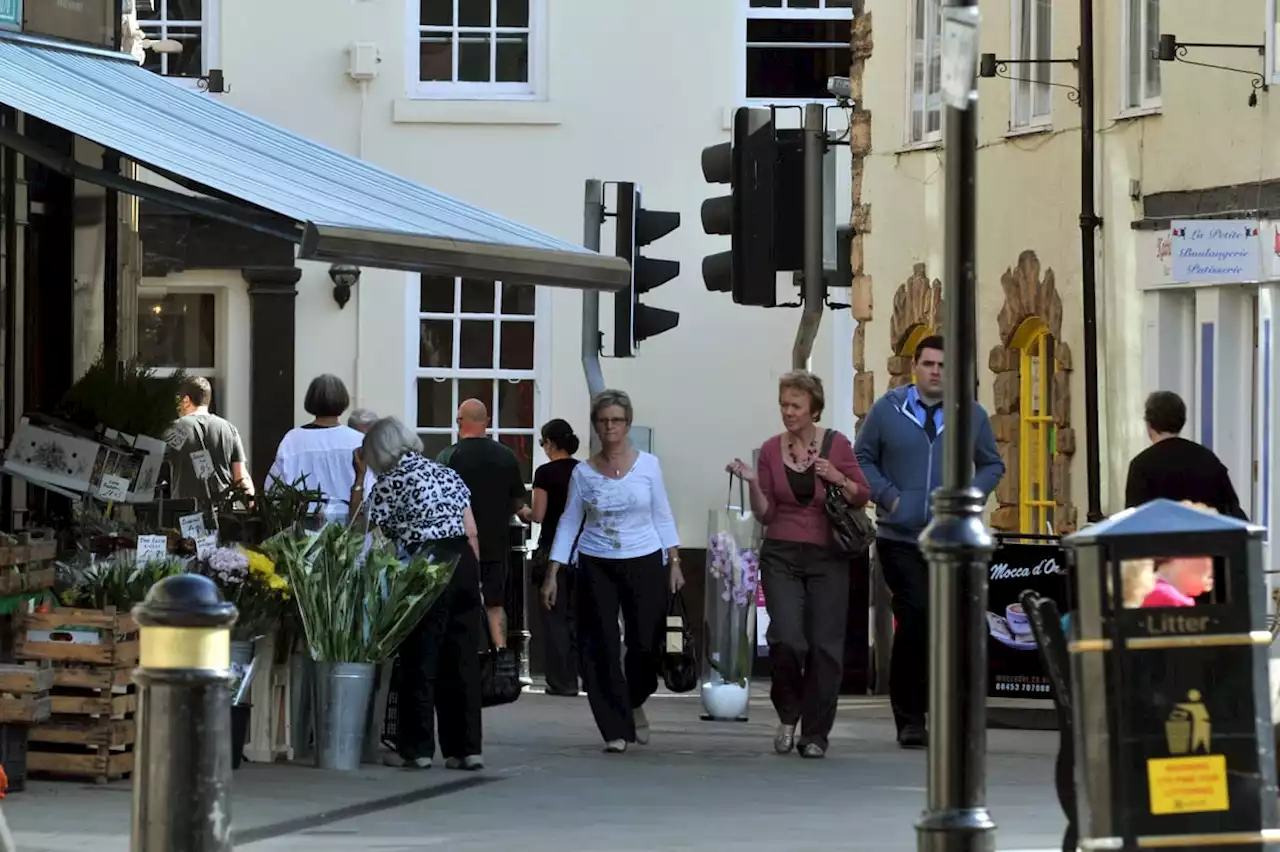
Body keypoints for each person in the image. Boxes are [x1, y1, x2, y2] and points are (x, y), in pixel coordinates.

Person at [854, 335, 1005, 748]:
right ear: (915, 368)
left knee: (950, 624)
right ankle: (910, 717)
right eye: (928, 364)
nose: (936, 371)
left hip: (950, 540)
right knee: (917, 613)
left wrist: (967, 500)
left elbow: (992, 464)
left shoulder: (970, 415)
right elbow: (861, 457)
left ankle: (949, 711)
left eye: (943, 365)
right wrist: (890, 497)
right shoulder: (888, 410)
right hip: (899, 536)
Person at [727, 370, 870, 759]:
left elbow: (862, 494)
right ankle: (788, 713)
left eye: (796, 405)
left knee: (825, 647)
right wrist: (755, 483)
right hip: (782, 553)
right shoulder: (772, 449)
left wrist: (837, 477)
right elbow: (767, 514)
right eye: (784, 405)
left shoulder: (837, 445)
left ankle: (815, 735)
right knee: (786, 639)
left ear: (814, 409)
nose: (788, 412)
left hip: (829, 554)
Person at [542, 390, 683, 754]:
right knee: (600, 644)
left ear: (628, 424)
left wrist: (676, 561)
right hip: (595, 561)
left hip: (645, 557)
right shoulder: (583, 473)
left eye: (616, 420)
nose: (610, 427)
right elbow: (570, 521)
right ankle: (614, 728)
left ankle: (633, 699)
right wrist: (553, 571)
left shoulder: (649, 465)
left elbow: (662, 513)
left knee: (644, 644)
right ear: (595, 426)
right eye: (604, 421)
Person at [349, 416, 485, 771]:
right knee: (462, 659)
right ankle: (466, 749)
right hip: (463, 562)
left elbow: (372, 537)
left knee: (420, 658)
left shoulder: (389, 483)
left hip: (425, 565)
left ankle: (418, 748)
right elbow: (470, 528)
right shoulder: (446, 472)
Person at [439, 399, 527, 650]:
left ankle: (463, 662)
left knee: (457, 607)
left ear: (460, 421)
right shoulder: (506, 456)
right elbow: (516, 501)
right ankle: (501, 661)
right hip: (496, 546)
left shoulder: (449, 456)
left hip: (457, 547)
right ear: (487, 422)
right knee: (495, 605)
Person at [520, 419, 582, 697]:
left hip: (551, 548)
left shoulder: (544, 473)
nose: (543, 448)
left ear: (551, 443)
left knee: (553, 617)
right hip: (583, 550)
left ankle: (561, 681)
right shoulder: (584, 470)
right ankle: (579, 676)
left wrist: (521, 510)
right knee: (575, 617)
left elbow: (539, 515)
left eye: (543, 442)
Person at [1125, 391, 1247, 519]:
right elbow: (1231, 509)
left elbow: (1134, 521)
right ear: (1182, 420)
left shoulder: (1141, 465)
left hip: (1161, 538)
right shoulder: (1208, 459)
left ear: (1149, 424)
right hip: (1206, 537)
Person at [268, 374, 371, 523]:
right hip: (350, 527)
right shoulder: (358, 441)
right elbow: (370, 488)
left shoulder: (293, 440)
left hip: (302, 529)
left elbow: (274, 490)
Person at [165, 376, 254, 501]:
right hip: (222, 513)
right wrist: (251, 507)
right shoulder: (229, 429)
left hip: (186, 512)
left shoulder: (174, 428)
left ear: (186, 400)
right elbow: (240, 477)